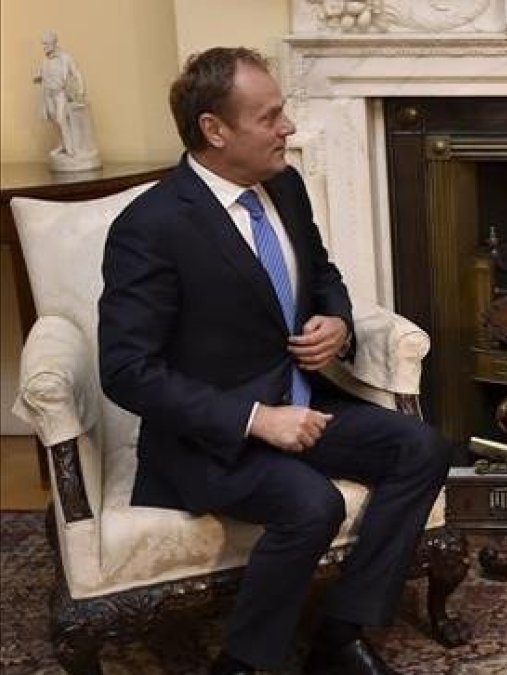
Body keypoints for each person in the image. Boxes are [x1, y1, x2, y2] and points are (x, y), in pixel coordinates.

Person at [99, 47, 449, 675]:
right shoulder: (150, 226)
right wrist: (254, 419)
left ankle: (338, 635)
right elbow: (126, 369)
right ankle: (241, 662)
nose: (287, 128)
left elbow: (322, 273)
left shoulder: (283, 186)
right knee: (312, 504)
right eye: (270, 117)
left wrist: (337, 322)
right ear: (215, 129)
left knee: (421, 448)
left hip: (305, 409)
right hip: (211, 442)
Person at [34, 31, 100, 170]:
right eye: (43, 44)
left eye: (46, 44)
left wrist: (81, 89)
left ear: (53, 43)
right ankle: (62, 145)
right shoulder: (45, 60)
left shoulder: (65, 58)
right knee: (53, 120)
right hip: (48, 94)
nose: (44, 47)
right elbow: (43, 74)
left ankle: (71, 148)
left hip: (60, 94)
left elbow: (76, 73)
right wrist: (39, 78)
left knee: (60, 119)